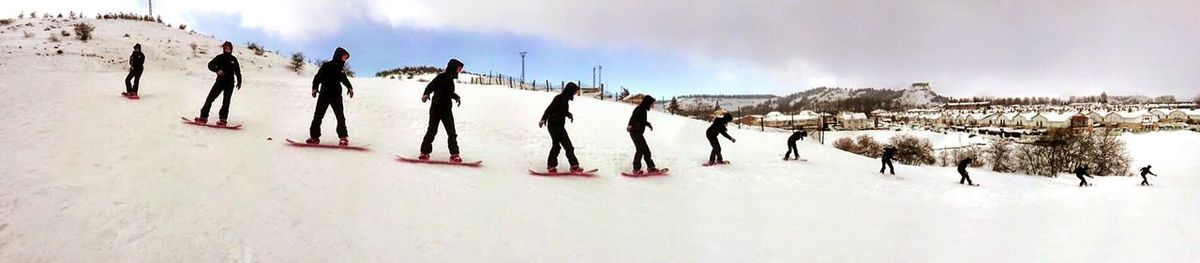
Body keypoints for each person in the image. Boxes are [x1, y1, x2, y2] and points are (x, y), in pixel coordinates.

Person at [306, 47, 355, 146]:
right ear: (339, 55)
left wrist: (350, 87)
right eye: (344, 57)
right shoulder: (327, 65)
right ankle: (314, 137)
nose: (345, 59)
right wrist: (314, 88)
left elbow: (344, 80)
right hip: (324, 94)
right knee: (318, 116)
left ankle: (343, 137)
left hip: (336, 95)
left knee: (340, 116)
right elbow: (317, 77)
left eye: (346, 58)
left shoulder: (341, 69)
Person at [418, 59, 465, 162]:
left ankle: (454, 155)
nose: (459, 71)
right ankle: (424, 153)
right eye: (458, 68)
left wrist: (456, 96)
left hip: (447, 109)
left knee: (451, 132)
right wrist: (426, 94)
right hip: (436, 108)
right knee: (432, 130)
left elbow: (449, 93)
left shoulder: (451, 80)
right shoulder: (441, 77)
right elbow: (431, 86)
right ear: (453, 67)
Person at [195, 41, 242, 126]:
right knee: (210, 99)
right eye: (226, 48)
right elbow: (210, 65)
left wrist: (239, 81)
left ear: (231, 49)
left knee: (226, 102)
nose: (227, 49)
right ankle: (203, 117)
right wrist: (217, 70)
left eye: (229, 48)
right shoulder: (219, 57)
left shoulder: (233, 59)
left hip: (230, 84)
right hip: (219, 82)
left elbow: (238, 71)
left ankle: (223, 120)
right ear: (223, 48)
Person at [540, 83, 582, 173]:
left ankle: (574, 166)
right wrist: (543, 119)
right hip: (553, 125)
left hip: (560, 126)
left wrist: (569, 114)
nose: (575, 93)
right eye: (574, 91)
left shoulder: (565, 100)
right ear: (570, 91)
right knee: (556, 146)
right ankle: (551, 166)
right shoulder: (559, 98)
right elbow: (549, 109)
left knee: (569, 146)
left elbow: (563, 111)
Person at [627, 95, 658, 174]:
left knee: (645, 150)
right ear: (647, 103)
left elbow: (642, 120)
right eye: (652, 103)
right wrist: (630, 125)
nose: (652, 105)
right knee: (641, 150)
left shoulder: (643, 109)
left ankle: (650, 167)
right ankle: (636, 169)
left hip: (638, 133)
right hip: (634, 132)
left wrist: (648, 124)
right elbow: (633, 118)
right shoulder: (639, 109)